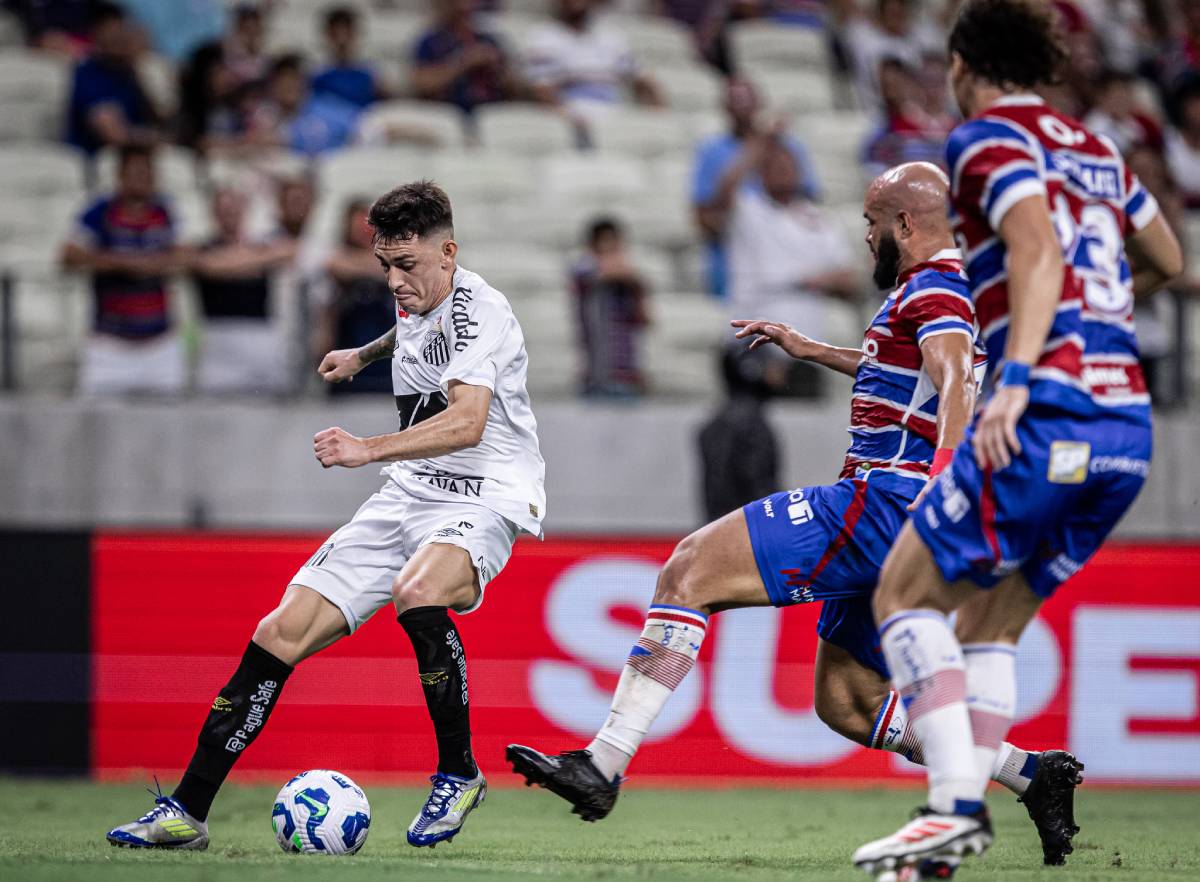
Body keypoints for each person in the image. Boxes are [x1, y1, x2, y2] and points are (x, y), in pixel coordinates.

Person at [506, 163, 1080, 869]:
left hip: (889, 501)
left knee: (689, 569)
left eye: (872, 225)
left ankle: (603, 763)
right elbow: (910, 375)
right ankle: (1032, 774)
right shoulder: (944, 290)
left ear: (904, 225)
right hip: (900, 511)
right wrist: (814, 350)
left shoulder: (934, 286)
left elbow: (955, 377)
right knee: (849, 703)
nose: (866, 239)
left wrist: (942, 482)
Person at [105, 181, 547, 850]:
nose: (393, 281)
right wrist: (362, 355)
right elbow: (414, 332)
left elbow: (468, 421)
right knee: (278, 631)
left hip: (485, 494)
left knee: (419, 592)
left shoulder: (483, 310)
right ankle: (186, 812)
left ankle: (459, 773)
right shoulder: (420, 296)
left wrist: (367, 448)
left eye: (406, 265)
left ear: (449, 253)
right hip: (409, 493)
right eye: (384, 265)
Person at [851, 2, 1183, 876]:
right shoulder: (1097, 147)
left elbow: (1033, 247)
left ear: (964, 64)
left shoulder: (985, 140)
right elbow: (1168, 259)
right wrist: (1095, 318)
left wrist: (1027, 373)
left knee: (902, 595)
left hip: (1049, 414)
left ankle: (952, 810)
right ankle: (957, 816)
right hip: (1124, 429)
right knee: (991, 624)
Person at [712, 133, 859, 397]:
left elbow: (849, 279)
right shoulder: (748, 211)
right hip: (752, 340)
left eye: (787, 165)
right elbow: (724, 189)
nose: (782, 171)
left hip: (806, 348)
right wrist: (760, 142)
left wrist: (809, 281)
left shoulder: (819, 219)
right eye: (773, 166)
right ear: (760, 173)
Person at [61, 144, 189, 395]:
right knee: (96, 416)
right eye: (135, 172)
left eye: (146, 172)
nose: (141, 178)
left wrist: (148, 264)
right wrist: (124, 263)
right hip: (109, 344)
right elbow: (69, 255)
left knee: (170, 417)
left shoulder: (166, 211)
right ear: (120, 175)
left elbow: (185, 256)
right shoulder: (99, 211)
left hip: (159, 343)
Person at [692, 77, 820, 298]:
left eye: (746, 98)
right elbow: (704, 216)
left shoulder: (788, 146)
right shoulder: (710, 152)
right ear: (723, 106)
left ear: (761, 102)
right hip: (736, 267)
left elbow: (807, 203)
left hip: (790, 262)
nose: (741, 105)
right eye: (735, 99)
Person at [191, 187, 298, 394]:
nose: (230, 215)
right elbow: (205, 265)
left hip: (260, 336)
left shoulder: (262, 244)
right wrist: (256, 262)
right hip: (218, 337)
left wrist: (229, 264)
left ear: (244, 211)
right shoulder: (203, 247)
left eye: (234, 209)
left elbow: (290, 251)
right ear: (214, 213)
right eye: (224, 210)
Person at [524, 0, 665, 122]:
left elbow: (643, 80)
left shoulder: (610, 37)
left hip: (614, 111)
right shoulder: (543, 37)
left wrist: (659, 115)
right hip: (573, 112)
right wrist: (568, 117)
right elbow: (542, 89)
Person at [320, 199, 399, 395]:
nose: (365, 232)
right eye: (358, 227)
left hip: (386, 365)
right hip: (348, 357)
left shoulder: (396, 262)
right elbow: (335, 266)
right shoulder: (337, 259)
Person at [65, 1, 159, 156]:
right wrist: (151, 138)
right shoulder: (87, 74)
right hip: (95, 158)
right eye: (110, 31)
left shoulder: (130, 74)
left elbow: (158, 122)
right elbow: (114, 135)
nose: (118, 37)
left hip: (134, 154)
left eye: (121, 29)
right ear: (96, 34)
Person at [570, 218, 649, 398]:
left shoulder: (628, 282)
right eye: (606, 241)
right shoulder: (586, 270)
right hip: (596, 375)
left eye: (615, 241)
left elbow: (644, 320)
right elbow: (594, 273)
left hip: (627, 375)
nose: (611, 247)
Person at [411, 0, 517, 114]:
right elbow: (423, 84)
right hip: (447, 111)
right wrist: (464, 63)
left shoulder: (488, 41)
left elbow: (513, 86)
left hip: (491, 111)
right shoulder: (430, 42)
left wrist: (497, 68)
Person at [248, 54, 361, 157]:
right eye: (282, 83)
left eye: (294, 80)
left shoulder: (328, 109)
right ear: (272, 86)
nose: (289, 87)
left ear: (304, 83)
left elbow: (360, 124)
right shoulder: (263, 113)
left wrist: (286, 140)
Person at [311, 5, 386, 110]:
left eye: (347, 34)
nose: (341, 41)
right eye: (335, 35)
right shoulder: (317, 76)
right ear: (327, 37)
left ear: (355, 36)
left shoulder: (371, 76)